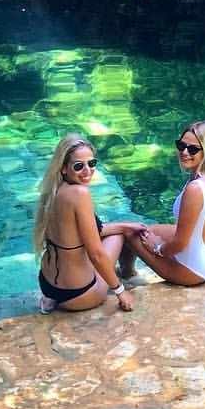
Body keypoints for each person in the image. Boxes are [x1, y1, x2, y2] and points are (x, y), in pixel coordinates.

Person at [33, 134, 142, 313]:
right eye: (78, 166)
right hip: (78, 294)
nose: (87, 171)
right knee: (120, 236)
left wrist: (126, 225)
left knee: (121, 229)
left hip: (48, 285)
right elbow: (96, 254)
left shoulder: (52, 191)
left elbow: (83, 233)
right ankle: (127, 275)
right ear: (63, 168)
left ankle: (51, 301)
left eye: (91, 164)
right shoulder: (80, 194)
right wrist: (120, 292)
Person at [125, 121, 205, 286]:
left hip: (193, 270)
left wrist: (158, 248)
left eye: (193, 149)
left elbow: (180, 244)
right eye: (181, 145)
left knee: (129, 233)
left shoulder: (196, 189)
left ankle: (128, 275)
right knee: (143, 229)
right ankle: (127, 272)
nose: (184, 152)